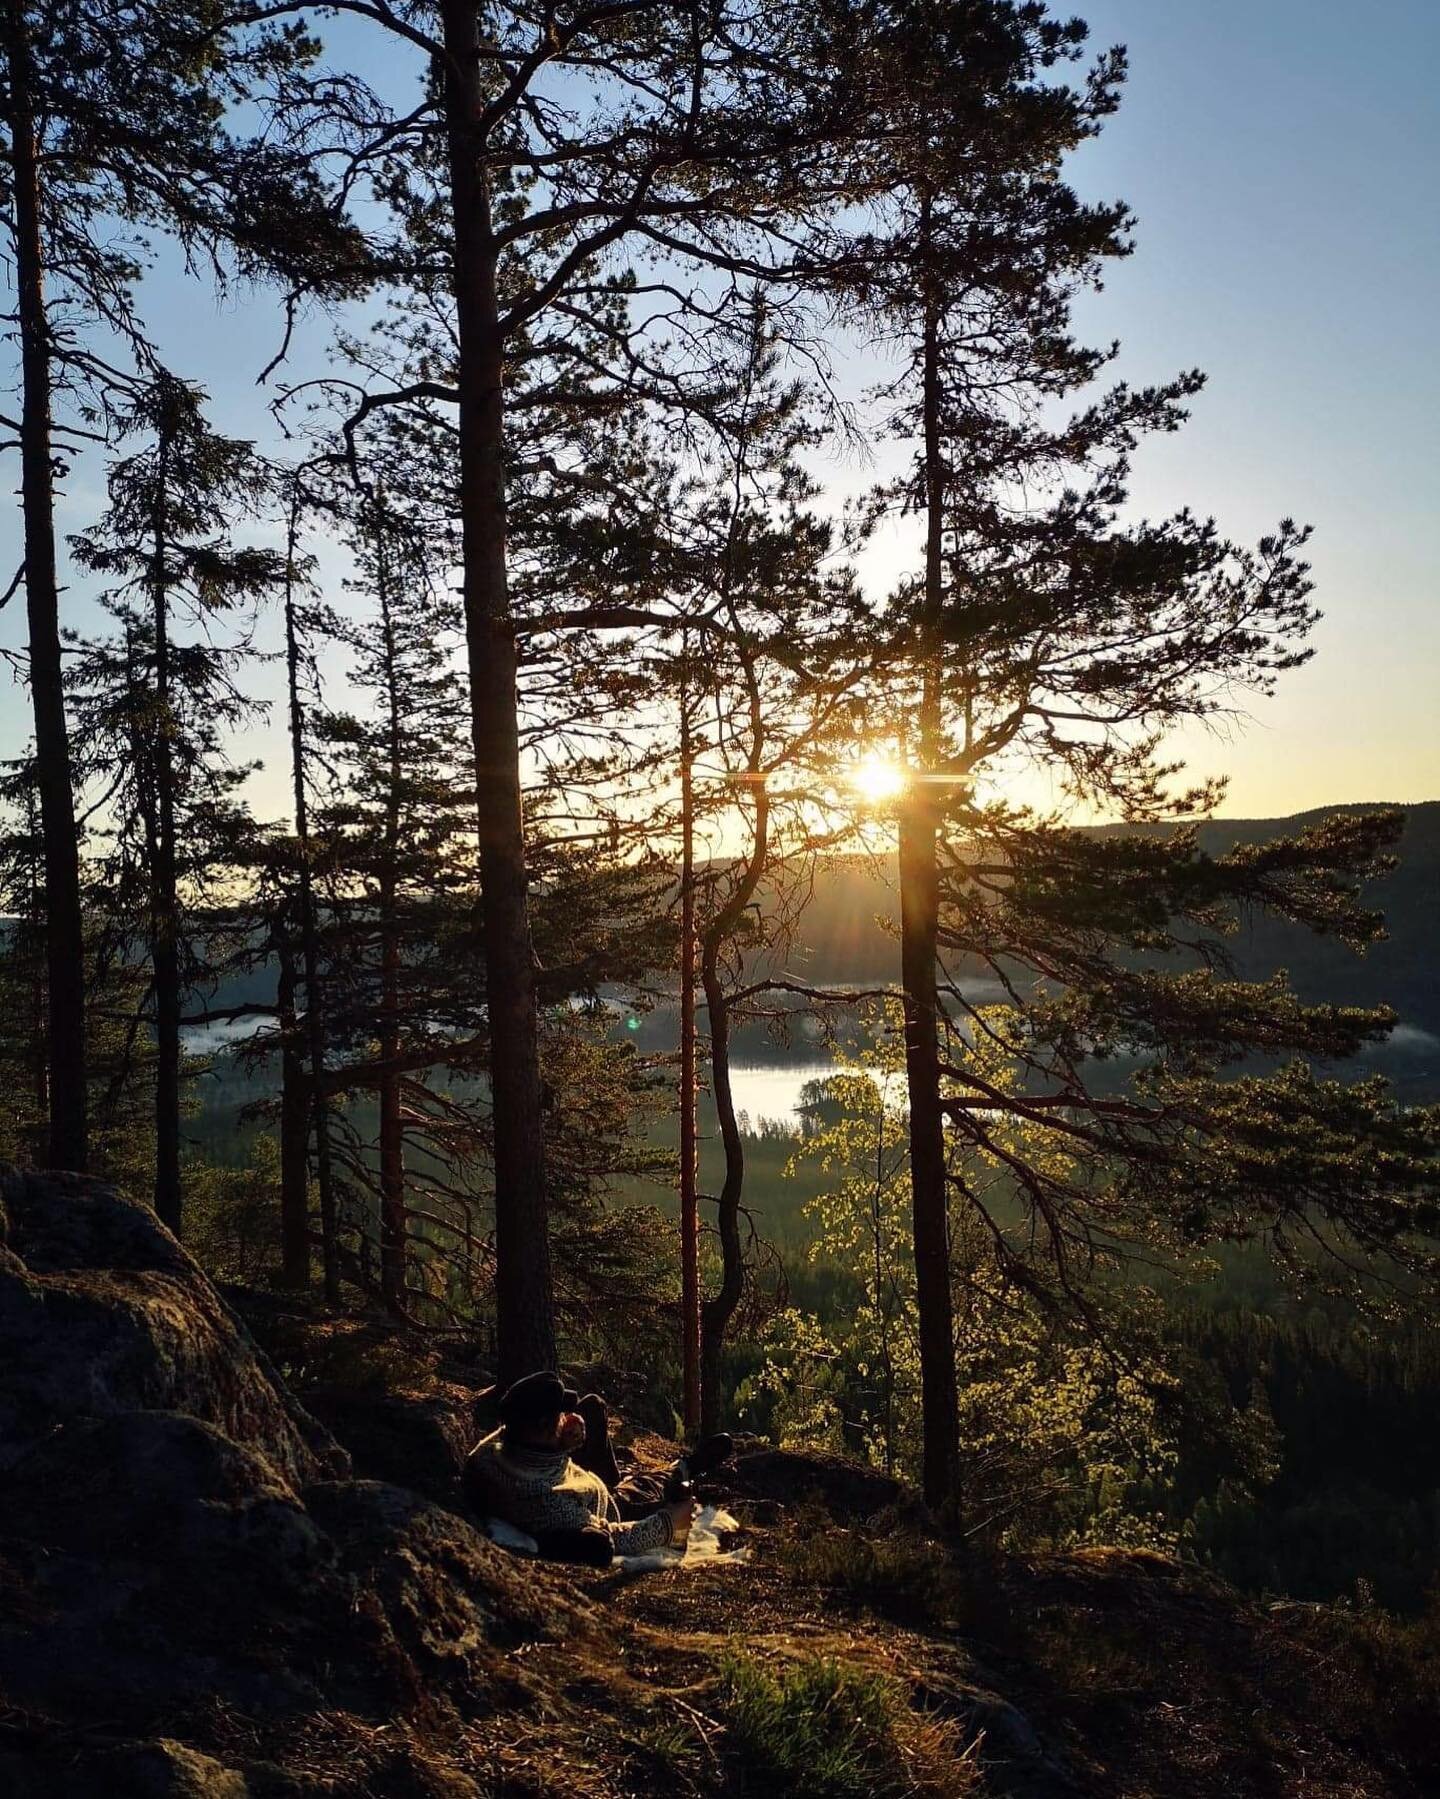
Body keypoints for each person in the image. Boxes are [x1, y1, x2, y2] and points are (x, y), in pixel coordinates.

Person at [464, 1370, 733, 1567]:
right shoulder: (547, 1502)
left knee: (591, 1406)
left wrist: (561, 1443)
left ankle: (668, 1471)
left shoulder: (493, 1451)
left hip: (579, 1476)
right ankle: (685, 1466)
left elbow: (525, 1442)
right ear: (546, 1428)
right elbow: (614, 1537)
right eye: (560, 1415)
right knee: (643, 1487)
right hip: (610, 1504)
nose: (566, 1417)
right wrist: (668, 1524)